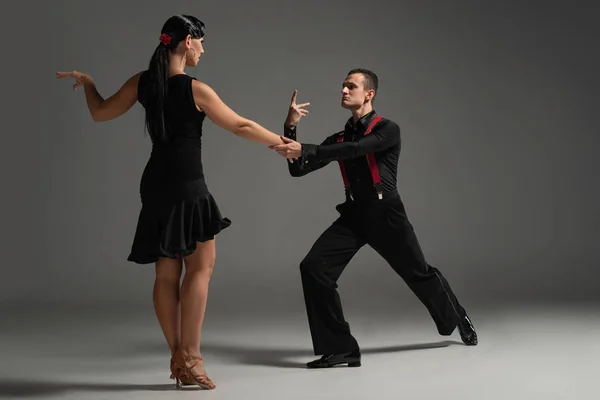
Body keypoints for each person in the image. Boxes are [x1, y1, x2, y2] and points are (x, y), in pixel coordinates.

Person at [56, 14, 287, 389]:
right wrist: (283, 143)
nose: (203, 48)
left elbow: (100, 113)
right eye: (201, 41)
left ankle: (178, 357)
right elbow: (240, 125)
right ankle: (191, 357)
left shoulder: (143, 82)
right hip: (186, 184)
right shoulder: (195, 89)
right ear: (187, 41)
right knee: (200, 268)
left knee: (166, 273)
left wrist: (90, 84)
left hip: (155, 184)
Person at [270, 68, 478, 369]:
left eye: (350, 86)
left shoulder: (387, 129)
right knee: (314, 267)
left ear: (369, 94)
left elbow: (357, 148)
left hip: (387, 215)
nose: (343, 90)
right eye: (342, 85)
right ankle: (341, 350)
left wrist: (308, 148)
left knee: (419, 274)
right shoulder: (338, 137)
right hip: (354, 216)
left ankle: (457, 315)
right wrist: (291, 128)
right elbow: (298, 168)